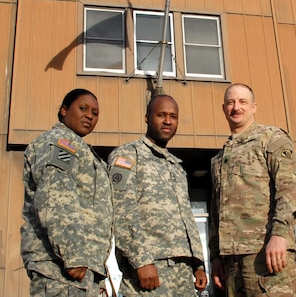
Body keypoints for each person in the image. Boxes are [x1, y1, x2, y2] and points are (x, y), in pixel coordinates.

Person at [209, 83, 296, 297]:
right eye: (231, 102)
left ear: (254, 107)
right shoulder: (219, 159)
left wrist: (280, 234)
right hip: (232, 262)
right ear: (224, 108)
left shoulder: (271, 138)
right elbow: (217, 211)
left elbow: (292, 188)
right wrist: (216, 256)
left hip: (267, 255)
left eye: (243, 102)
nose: (236, 107)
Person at [108, 94, 207, 296]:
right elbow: (122, 210)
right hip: (149, 270)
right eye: (161, 115)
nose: (168, 121)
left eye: (173, 116)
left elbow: (186, 216)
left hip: (183, 273)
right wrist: (141, 261)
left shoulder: (176, 166)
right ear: (147, 117)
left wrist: (198, 263)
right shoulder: (127, 155)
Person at [21, 89, 114, 296]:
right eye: (83, 108)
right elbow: (55, 197)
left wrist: (97, 274)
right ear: (64, 111)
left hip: (83, 268)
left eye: (95, 113)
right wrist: (73, 255)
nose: (90, 115)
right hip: (61, 267)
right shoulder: (60, 143)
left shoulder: (83, 150)